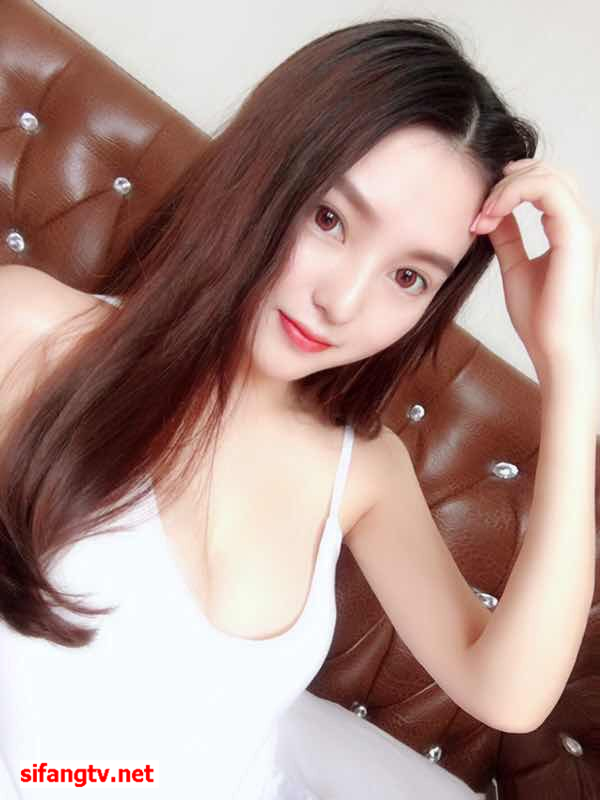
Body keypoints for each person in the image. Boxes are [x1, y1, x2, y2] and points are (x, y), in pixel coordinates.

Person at [1, 14, 597, 800]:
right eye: (330, 219)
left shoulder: (362, 470)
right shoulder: (30, 333)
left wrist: (567, 363)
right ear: (262, 172)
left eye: (409, 278)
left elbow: (509, 694)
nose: (341, 302)